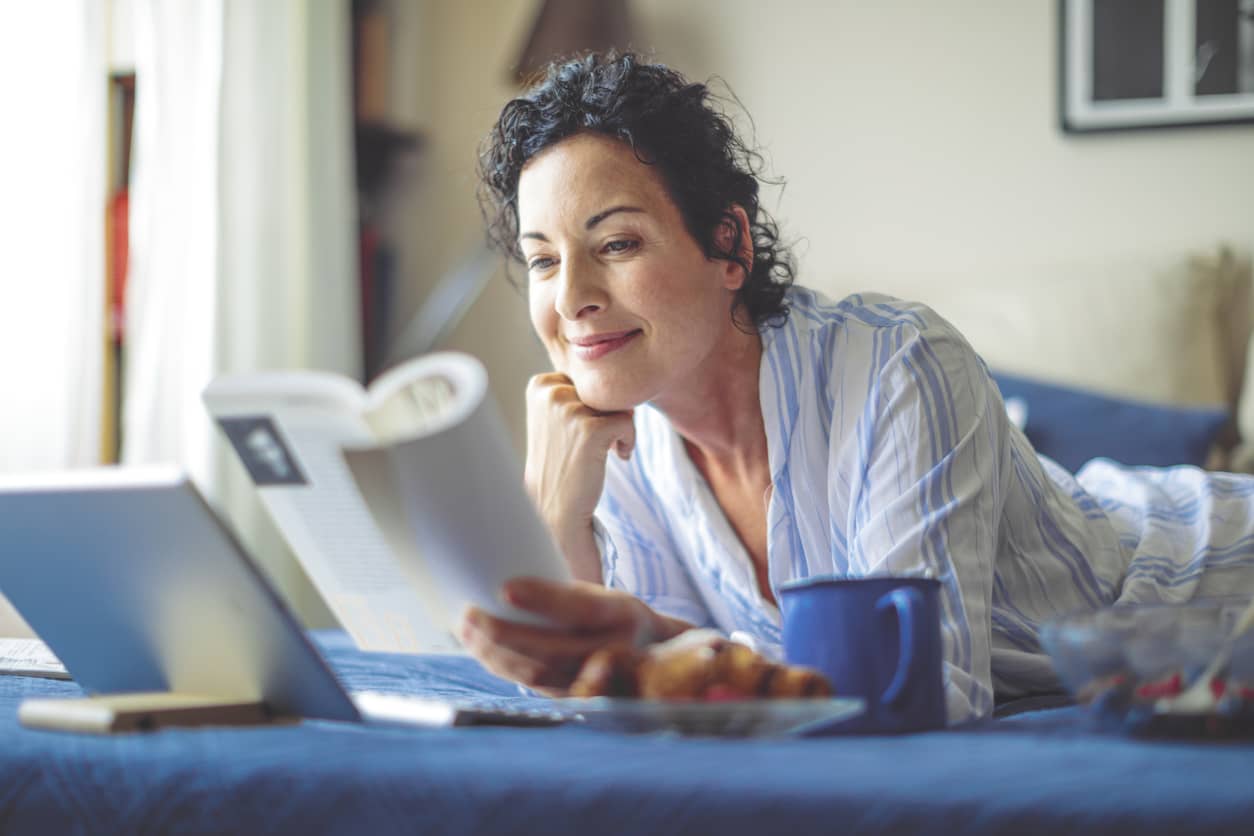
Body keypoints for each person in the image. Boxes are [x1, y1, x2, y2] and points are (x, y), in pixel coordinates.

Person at [460, 52, 1254, 723]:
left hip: (1208, 586)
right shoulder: (617, 441)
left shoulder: (897, 366)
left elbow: (927, 692)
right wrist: (552, 505)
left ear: (728, 244)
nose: (571, 299)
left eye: (617, 242)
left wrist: (645, 639)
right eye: (542, 259)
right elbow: (631, 696)